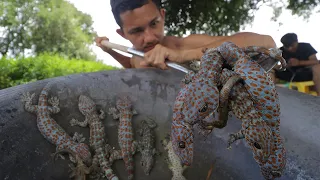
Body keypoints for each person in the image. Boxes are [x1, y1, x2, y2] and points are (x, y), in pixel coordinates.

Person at [95, 0, 277, 70]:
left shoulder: (185, 45)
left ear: (163, 16)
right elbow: (133, 64)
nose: (149, 37)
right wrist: (110, 51)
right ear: (123, 34)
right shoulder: (138, 53)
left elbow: (266, 43)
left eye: (154, 24)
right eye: (136, 31)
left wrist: (183, 56)